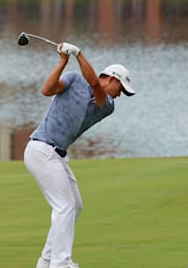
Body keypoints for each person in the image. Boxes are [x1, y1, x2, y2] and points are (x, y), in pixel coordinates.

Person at [25, 42, 135, 268]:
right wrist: (63, 61)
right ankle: (60, 263)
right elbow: (47, 90)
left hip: (56, 154)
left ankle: (47, 260)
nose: (120, 95)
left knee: (74, 205)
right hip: (41, 149)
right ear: (112, 79)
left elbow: (94, 83)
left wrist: (78, 54)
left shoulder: (107, 104)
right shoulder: (74, 79)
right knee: (65, 206)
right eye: (121, 89)